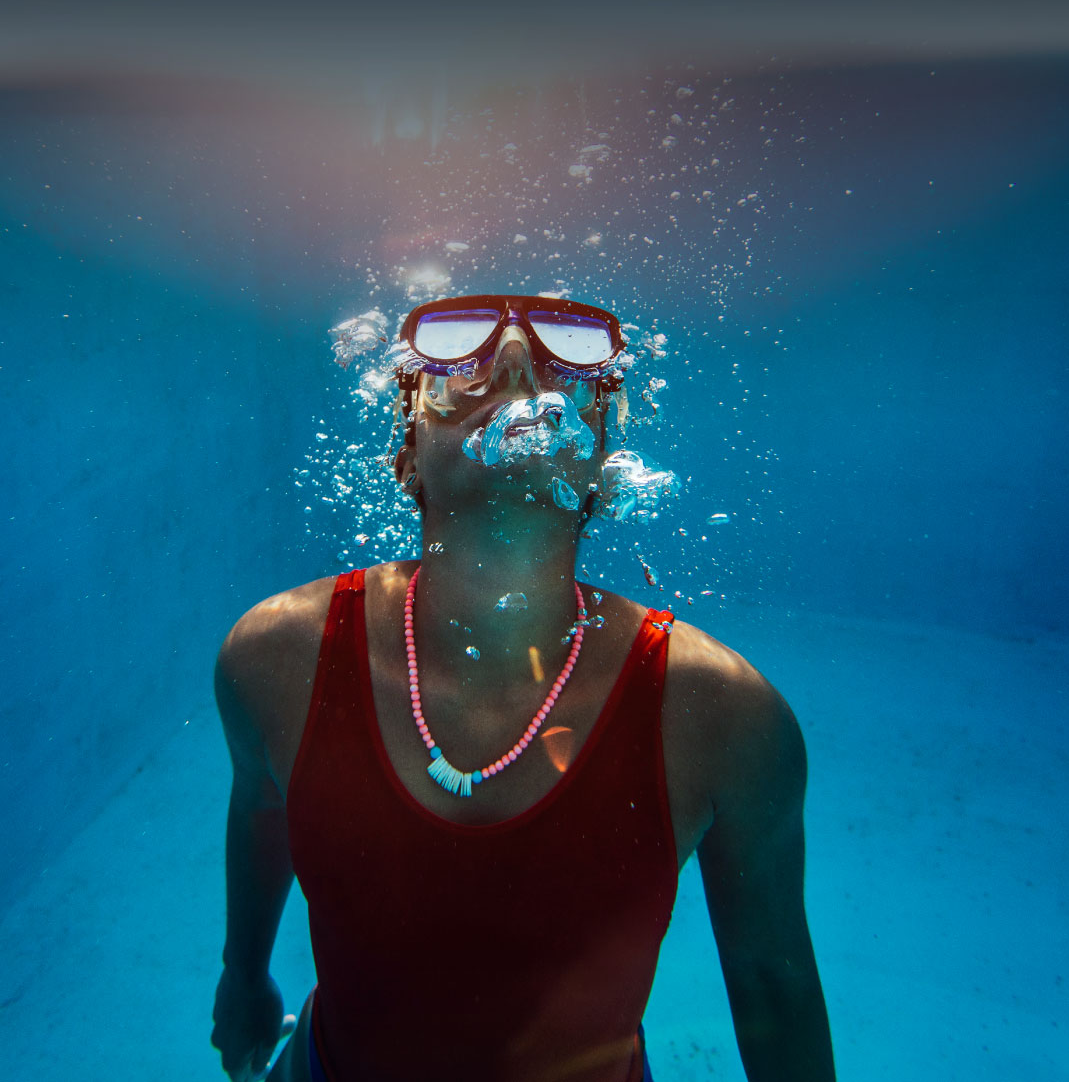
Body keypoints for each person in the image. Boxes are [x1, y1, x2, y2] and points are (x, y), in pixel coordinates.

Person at [211, 294, 834, 1082]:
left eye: (554, 365)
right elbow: (261, 807)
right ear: (406, 455)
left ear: (603, 465)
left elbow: (773, 985)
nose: (511, 367)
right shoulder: (274, 655)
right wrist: (243, 976)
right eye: (460, 369)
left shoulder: (724, 715)